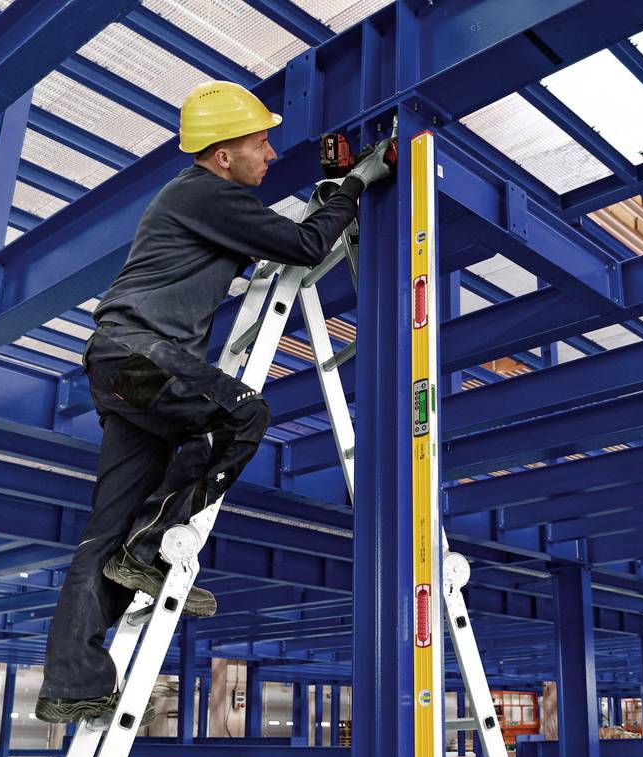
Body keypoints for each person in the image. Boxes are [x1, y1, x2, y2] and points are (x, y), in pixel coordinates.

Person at [35, 81, 394, 723]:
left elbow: (283, 240)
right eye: (259, 143)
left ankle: (72, 683)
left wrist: (325, 197)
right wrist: (356, 183)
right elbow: (307, 247)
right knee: (245, 415)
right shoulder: (209, 193)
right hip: (139, 354)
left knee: (103, 531)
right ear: (222, 155)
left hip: (121, 366)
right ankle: (147, 551)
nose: (270, 152)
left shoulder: (201, 202)